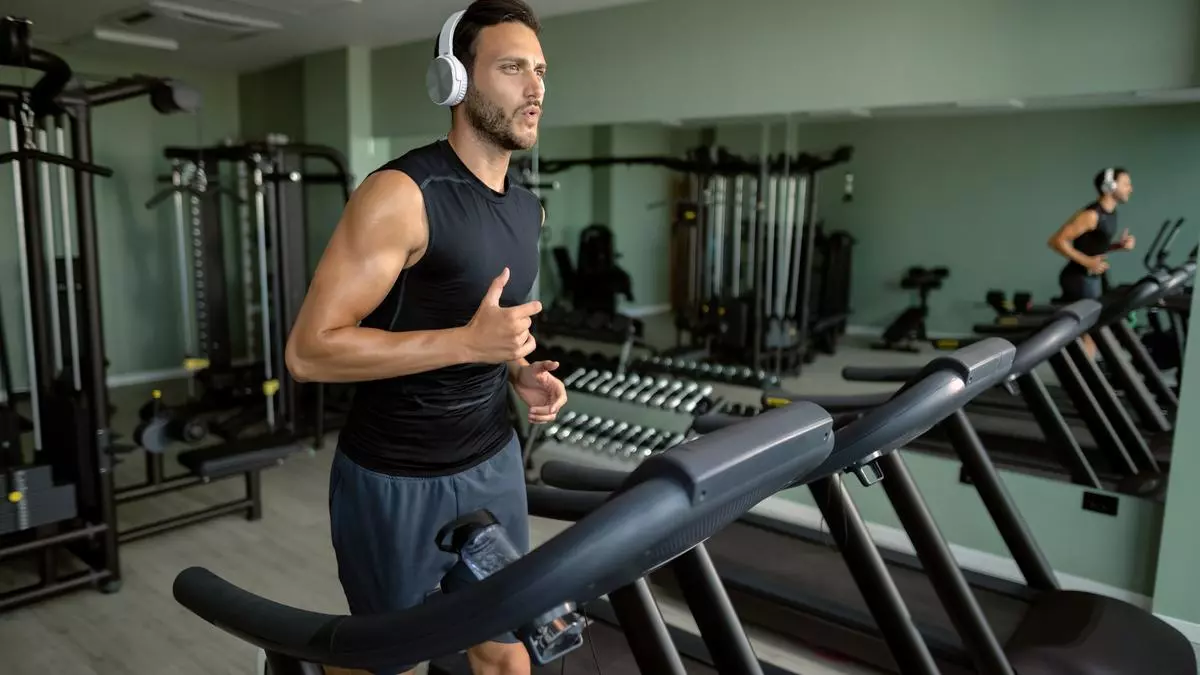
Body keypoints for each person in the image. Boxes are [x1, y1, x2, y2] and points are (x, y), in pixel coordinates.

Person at [283, 2, 558, 674]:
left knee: (507, 652)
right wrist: (466, 344)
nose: (535, 87)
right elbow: (309, 351)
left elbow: (493, 326)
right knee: (383, 660)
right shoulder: (401, 194)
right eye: (512, 67)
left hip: (492, 460)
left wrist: (519, 370)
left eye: (541, 70)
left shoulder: (528, 208)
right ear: (454, 80)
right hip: (394, 476)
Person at [1047, 167, 1136, 356]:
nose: (1131, 188)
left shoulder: (1111, 213)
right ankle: (1080, 370)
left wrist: (1118, 246)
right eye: (1126, 184)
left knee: (1094, 331)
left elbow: (1092, 246)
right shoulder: (1092, 215)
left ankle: (1086, 369)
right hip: (1079, 278)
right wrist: (1087, 262)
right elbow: (1056, 241)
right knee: (1090, 332)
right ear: (1110, 186)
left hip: (1093, 277)